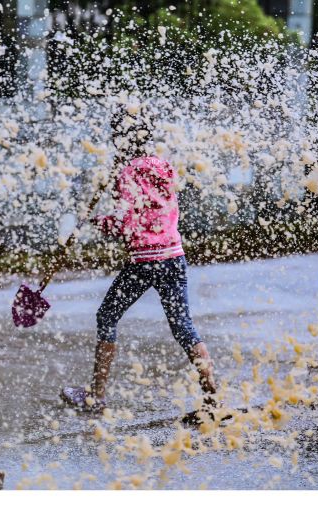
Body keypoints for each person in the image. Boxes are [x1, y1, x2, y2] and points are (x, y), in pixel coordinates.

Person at [60, 107, 218, 415]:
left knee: (107, 315)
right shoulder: (165, 167)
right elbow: (157, 214)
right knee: (183, 327)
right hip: (173, 256)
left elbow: (125, 225)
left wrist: (91, 222)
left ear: (122, 139)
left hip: (144, 262)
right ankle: (213, 397)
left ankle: (97, 395)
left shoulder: (127, 173)